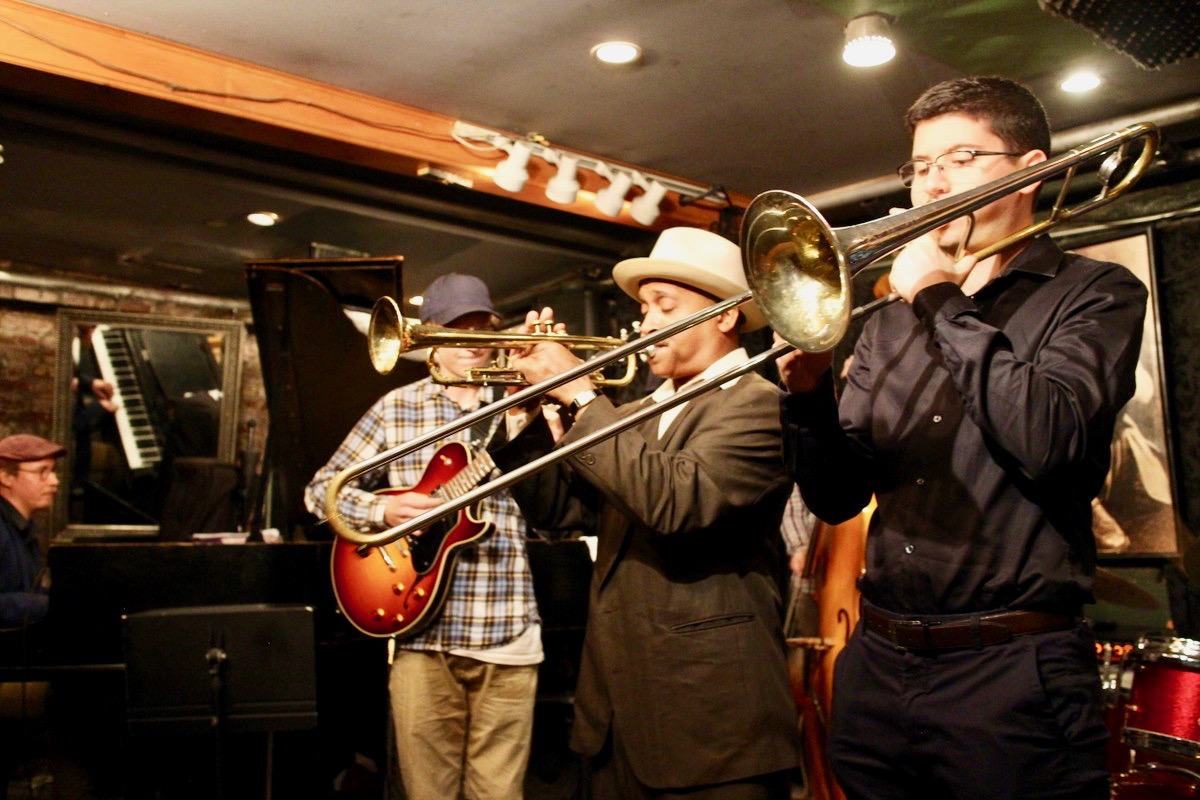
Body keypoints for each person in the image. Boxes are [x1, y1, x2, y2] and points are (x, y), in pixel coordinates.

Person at [776, 75, 1148, 799]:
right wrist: (808, 395)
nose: (932, 183)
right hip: (878, 663)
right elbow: (838, 496)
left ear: (1029, 171)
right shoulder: (887, 323)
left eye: (960, 159)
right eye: (920, 166)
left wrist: (937, 296)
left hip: (1012, 673)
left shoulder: (1095, 293)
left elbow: (1047, 438)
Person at [495, 227, 801, 799]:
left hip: (711, 726)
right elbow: (562, 510)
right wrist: (525, 411)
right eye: (643, 309)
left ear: (725, 316)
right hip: (615, 717)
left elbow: (675, 502)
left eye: (665, 306)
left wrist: (581, 393)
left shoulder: (759, 405)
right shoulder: (632, 413)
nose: (645, 324)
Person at [304, 273, 541, 800]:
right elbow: (320, 491)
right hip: (421, 634)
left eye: (481, 330)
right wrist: (383, 510)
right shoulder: (397, 408)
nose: (471, 344)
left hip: (508, 630)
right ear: (430, 334)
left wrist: (541, 391)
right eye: (456, 330)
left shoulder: (519, 402)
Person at [0, 434, 66, 629]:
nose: (54, 481)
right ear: (5, 476)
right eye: (42, 472)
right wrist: (50, 604)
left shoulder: (23, 527)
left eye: (53, 471)